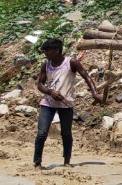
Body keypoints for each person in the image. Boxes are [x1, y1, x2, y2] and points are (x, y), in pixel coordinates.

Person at [33, 37, 102, 169]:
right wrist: (50, 91)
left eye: (47, 50)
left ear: (56, 50)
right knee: (41, 133)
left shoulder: (71, 62)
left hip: (66, 103)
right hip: (48, 103)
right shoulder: (46, 65)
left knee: (66, 133)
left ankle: (67, 161)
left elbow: (86, 77)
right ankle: (37, 162)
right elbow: (40, 84)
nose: (45, 53)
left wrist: (94, 93)